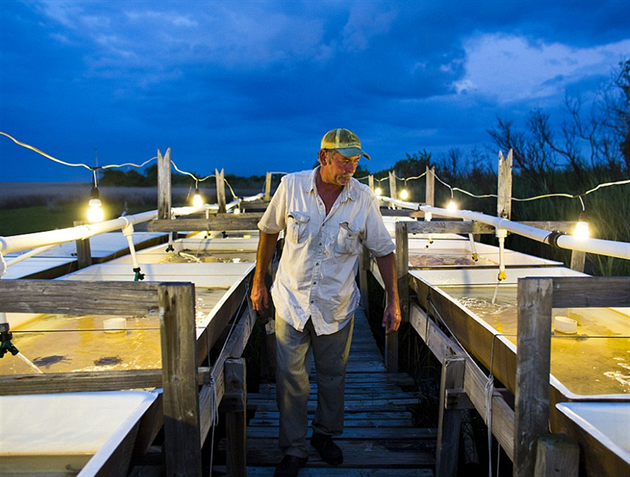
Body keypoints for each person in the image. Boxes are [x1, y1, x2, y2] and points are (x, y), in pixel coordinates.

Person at [250, 128, 401, 477]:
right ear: (323, 157)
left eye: (355, 162)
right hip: (291, 299)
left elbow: (383, 250)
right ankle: (294, 448)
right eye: (343, 161)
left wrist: (393, 301)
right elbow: (268, 230)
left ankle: (324, 435)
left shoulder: (363, 198)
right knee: (291, 380)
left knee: (333, 377)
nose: (350, 168)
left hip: (336, 304)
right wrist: (260, 281)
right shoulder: (291, 187)